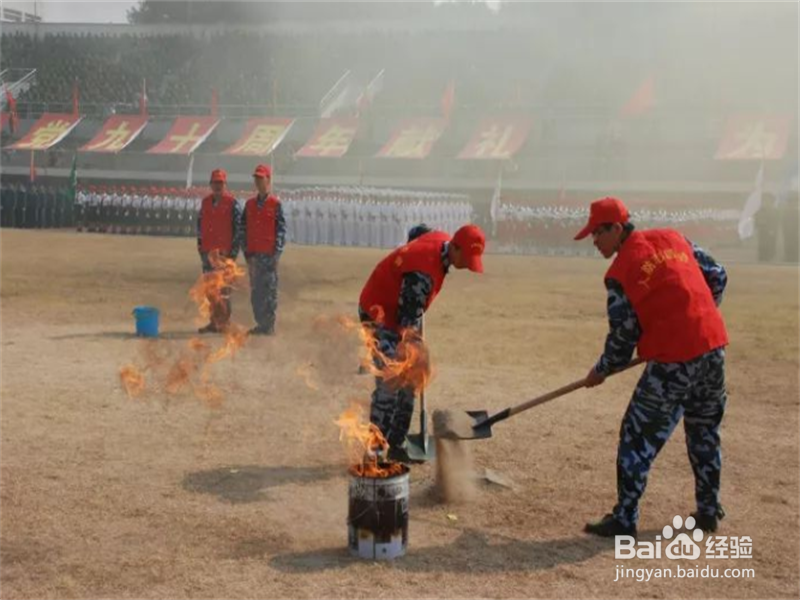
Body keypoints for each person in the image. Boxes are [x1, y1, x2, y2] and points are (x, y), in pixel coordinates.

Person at [575, 197, 729, 537]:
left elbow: (623, 338)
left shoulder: (619, 273)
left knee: (636, 436)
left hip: (674, 360)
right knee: (704, 431)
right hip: (713, 348)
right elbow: (718, 275)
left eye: (597, 234)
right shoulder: (675, 239)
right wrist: (699, 315)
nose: (594, 241)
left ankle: (625, 519)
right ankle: (708, 511)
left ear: (616, 228)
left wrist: (601, 370)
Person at [358, 223, 486, 461]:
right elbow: (406, 327)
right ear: (455, 248)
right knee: (391, 382)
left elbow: (418, 235)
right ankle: (374, 454)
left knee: (411, 380)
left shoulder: (442, 240)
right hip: (379, 315)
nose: (468, 266)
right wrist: (417, 351)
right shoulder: (422, 275)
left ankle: (396, 445)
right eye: (466, 259)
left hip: (401, 313)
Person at [242, 164, 286, 335]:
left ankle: (269, 325)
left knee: (269, 291)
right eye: (256, 178)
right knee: (256, 292)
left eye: (261, 178)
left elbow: (281, 230)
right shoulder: (250, 204)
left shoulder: (276, 204)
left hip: (269, 256)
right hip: (253, 256)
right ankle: (261, 324)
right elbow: (243, 229)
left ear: (268, 180)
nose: (258, 182)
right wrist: (247, 255)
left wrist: (277, 254)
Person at [196, 169, 242, 333]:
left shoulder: (232, 203)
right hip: (208, 254)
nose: (217, 186)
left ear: (225, 184)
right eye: (215, 183)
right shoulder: (205, 203)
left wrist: (232, 256)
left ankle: (224, 322)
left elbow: (238, 230)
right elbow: (200, 226)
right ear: (210, 184)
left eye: (220, 183)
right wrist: (201, 248)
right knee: (210, 290)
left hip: (224, 255)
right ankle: (214, 321)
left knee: (223, 290)